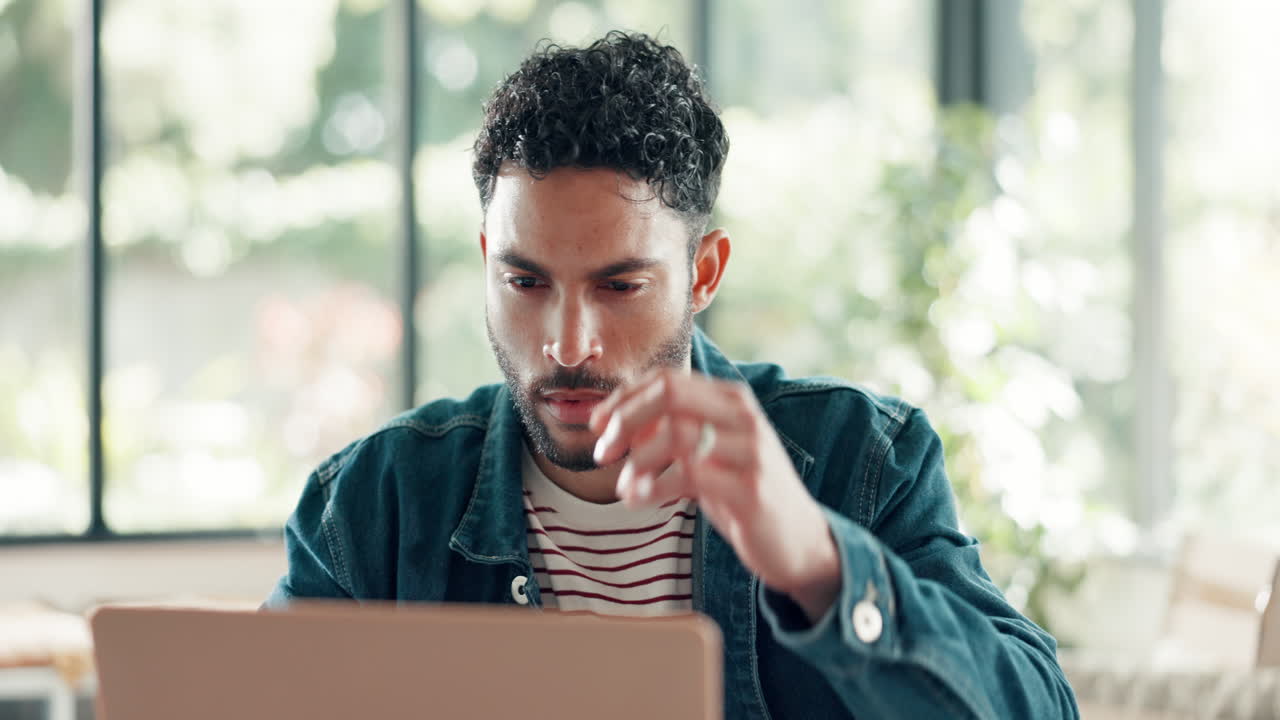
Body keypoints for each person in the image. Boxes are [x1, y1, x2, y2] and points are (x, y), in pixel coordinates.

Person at [265, 31, 1079, 719]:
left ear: (705, 272)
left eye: (620, 286)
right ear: (487, 261)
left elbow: (1040, 706)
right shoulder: (371, 505)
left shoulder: (861, 460)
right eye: (526, 282)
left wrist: (821, 564)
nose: (567, 345)